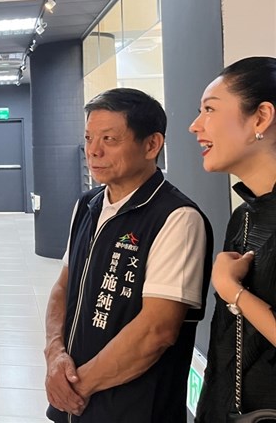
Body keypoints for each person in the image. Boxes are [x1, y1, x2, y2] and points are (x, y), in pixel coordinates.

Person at [44, 88, 212, 422]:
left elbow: (157, 330)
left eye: (110, 139)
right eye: (89, 137)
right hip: (74, 402)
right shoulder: (87, 206)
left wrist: (77, 387)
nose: (93, 150)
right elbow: (64, 286)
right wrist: (54, 354)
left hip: (134, 409)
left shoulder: (175, 217)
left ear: (151, 145)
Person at [190, 57, 276, 422]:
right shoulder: (244, 216)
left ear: (260, 118)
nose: (195, 126)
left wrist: (232, 290)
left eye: (209, 109)